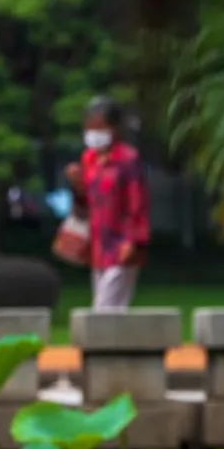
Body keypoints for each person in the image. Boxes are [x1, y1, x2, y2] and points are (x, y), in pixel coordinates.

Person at [73, 96, 150, 310]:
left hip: (122, 242)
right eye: (90, 127)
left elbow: (137, 203)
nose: (94, 132)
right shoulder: (89, 159)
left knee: (105, 308)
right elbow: (86, 201)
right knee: (110, 308)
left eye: (100, 127)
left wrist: (132, 240)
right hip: (98, 244)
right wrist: (76, 183)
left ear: (114, 128)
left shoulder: (127, 159)